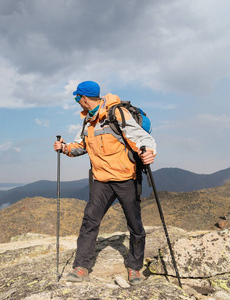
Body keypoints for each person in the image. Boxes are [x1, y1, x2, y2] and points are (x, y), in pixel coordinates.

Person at [53, 81, 156, 285]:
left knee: (135, 224)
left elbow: (141, 137)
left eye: (77, 98)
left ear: (83, 98)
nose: (77, 102)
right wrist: (64, 147)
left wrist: (148, 151)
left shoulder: (116, 114)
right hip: (101, 180)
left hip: (126, 178)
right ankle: (81, 266)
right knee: (90, 221)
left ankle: (135, 268)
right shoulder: (88, 122)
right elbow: (79, 147)